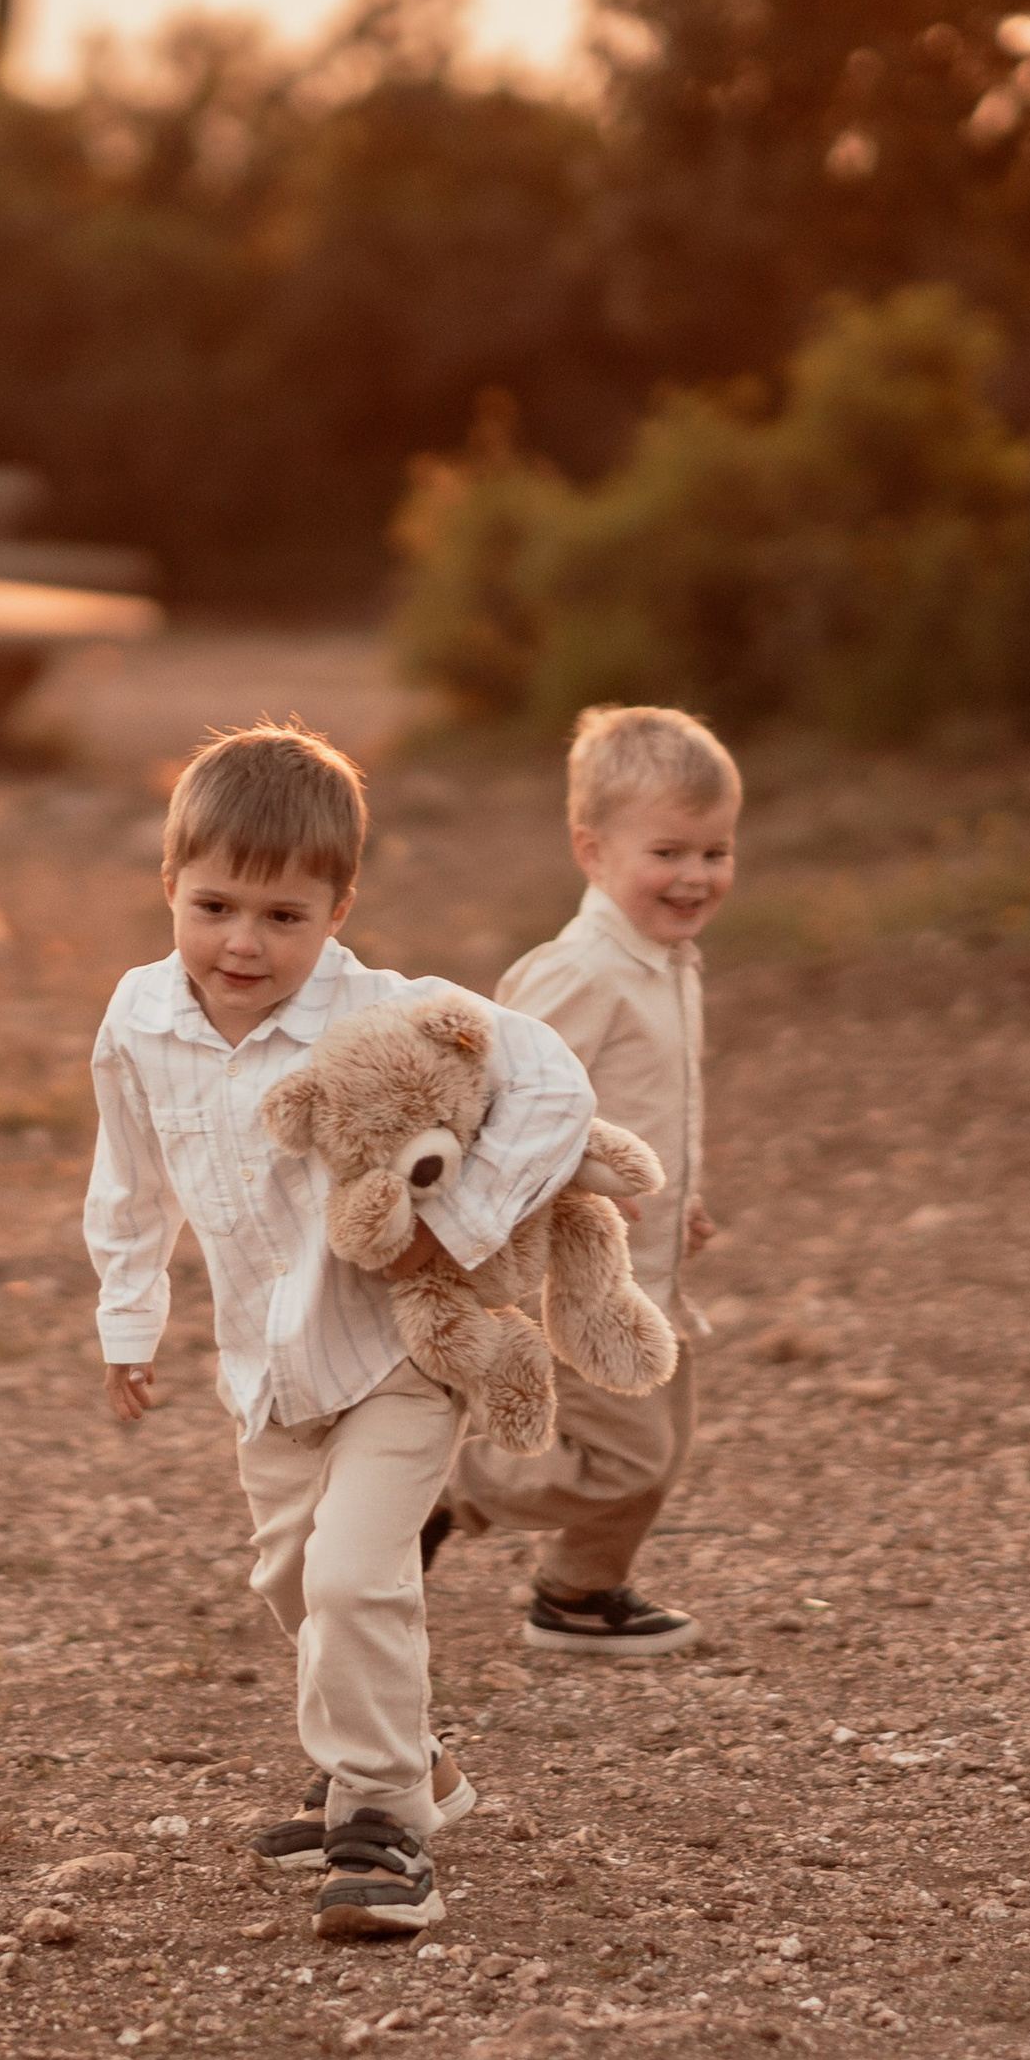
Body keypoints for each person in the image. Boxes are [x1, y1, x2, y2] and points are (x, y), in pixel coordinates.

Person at [86, 721, 597, 1937]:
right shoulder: (140, 1016)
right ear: (168, 884)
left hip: (397, 1355)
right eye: (213, 906)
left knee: (356, 1577)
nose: (242, 943)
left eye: (282, 916)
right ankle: (412, 1757)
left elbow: (556, 1085)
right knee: (291, 1581)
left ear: (337, 906)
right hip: (270, 1371)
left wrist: (462, 1223)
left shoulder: (392, 1013)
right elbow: (130, 1171)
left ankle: (381, 1832)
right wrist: (128, 1312)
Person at [426, 703, 739, 1658]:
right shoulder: (580, 973)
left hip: (647, 1268)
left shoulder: (665, 962)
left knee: (665, 1446)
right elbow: (499, 1098)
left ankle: (580, 1591)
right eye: (668, 852)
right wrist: (564, 1186)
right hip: (579, 1271)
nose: (694, 877)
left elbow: (643, 1104)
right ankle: (438, 1494)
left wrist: (678, 1197)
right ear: (591, 850)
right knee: (624, 1455)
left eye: (716, 852)